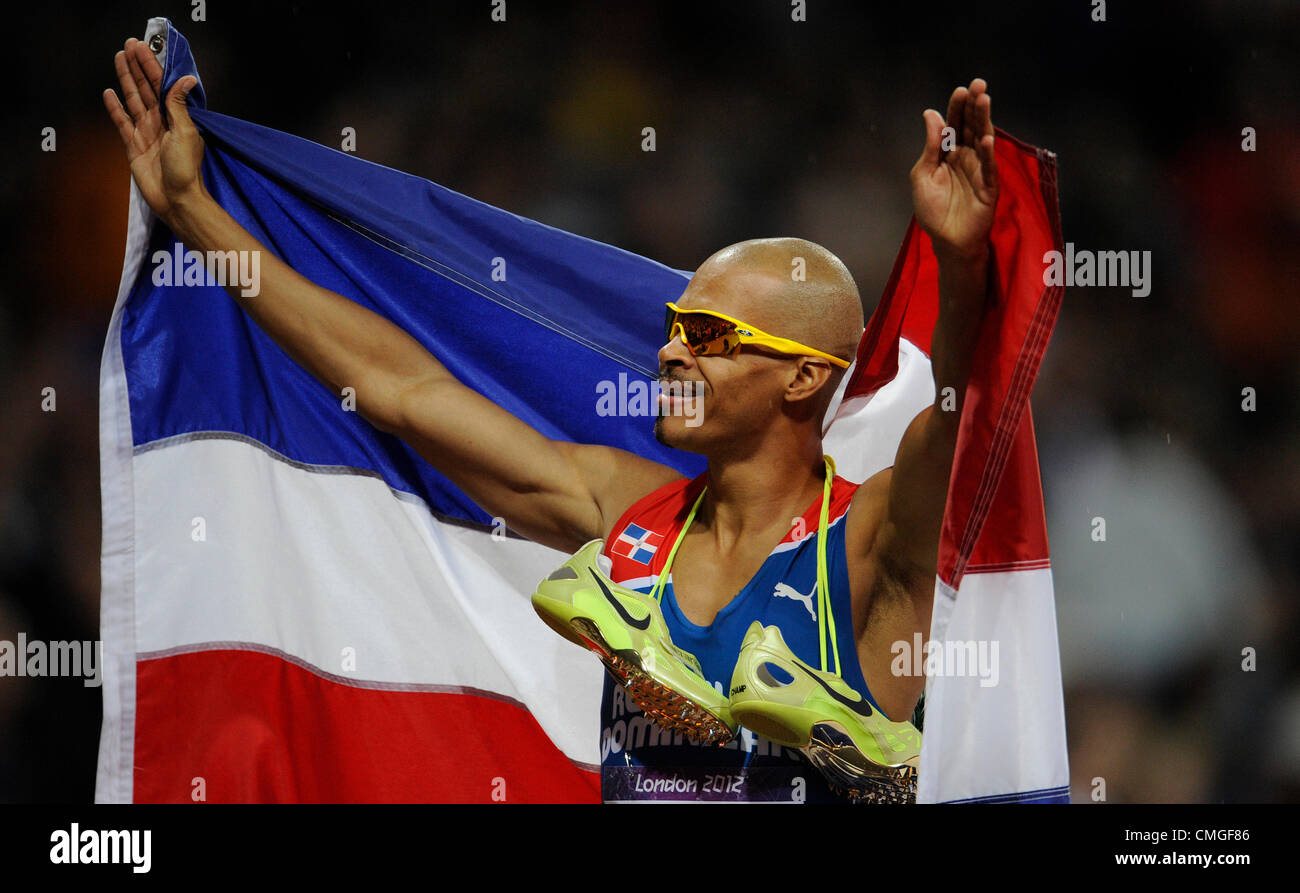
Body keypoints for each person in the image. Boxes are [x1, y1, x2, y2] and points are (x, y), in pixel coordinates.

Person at [104, 35, 998, 803]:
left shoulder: (870, 540)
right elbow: (396, 389)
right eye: (674, 329)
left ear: (804, 379)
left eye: (712, 336)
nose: (671, 354)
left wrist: (961, 268)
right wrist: (194, 211)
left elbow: (955, 419)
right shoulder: (629, 514)